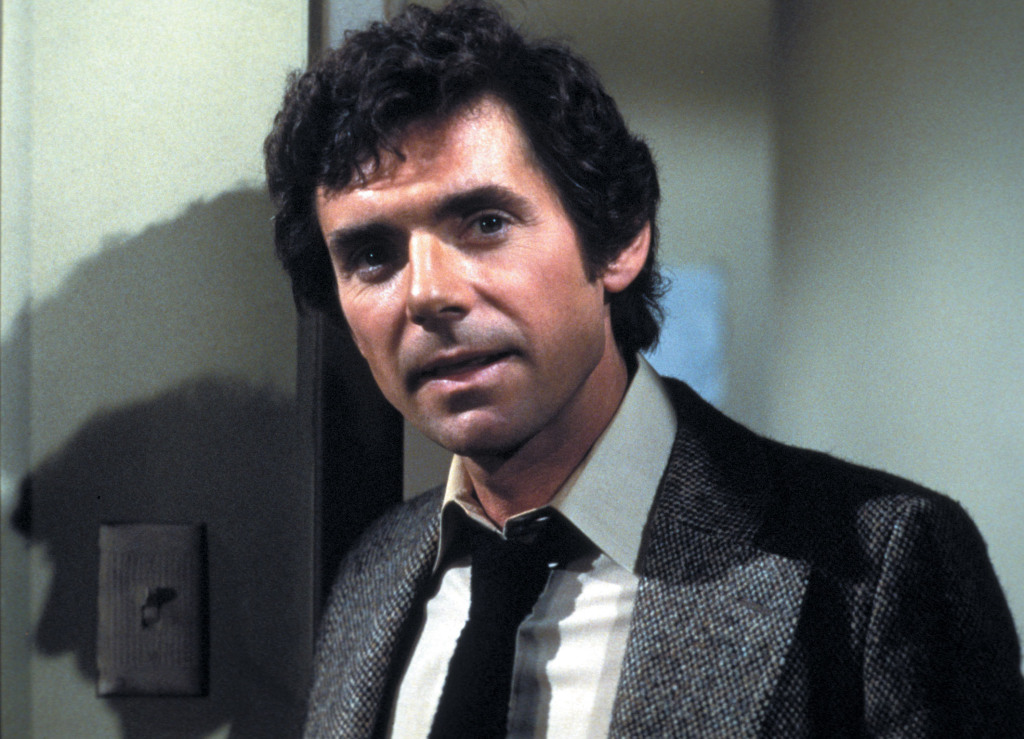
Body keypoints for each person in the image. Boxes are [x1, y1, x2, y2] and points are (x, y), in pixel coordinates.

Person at [264, 2, 1024, 736]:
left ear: (620, 240)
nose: (428, 294)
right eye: (373, 255)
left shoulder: (880, 562)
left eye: (486, 223)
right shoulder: (377, 569)